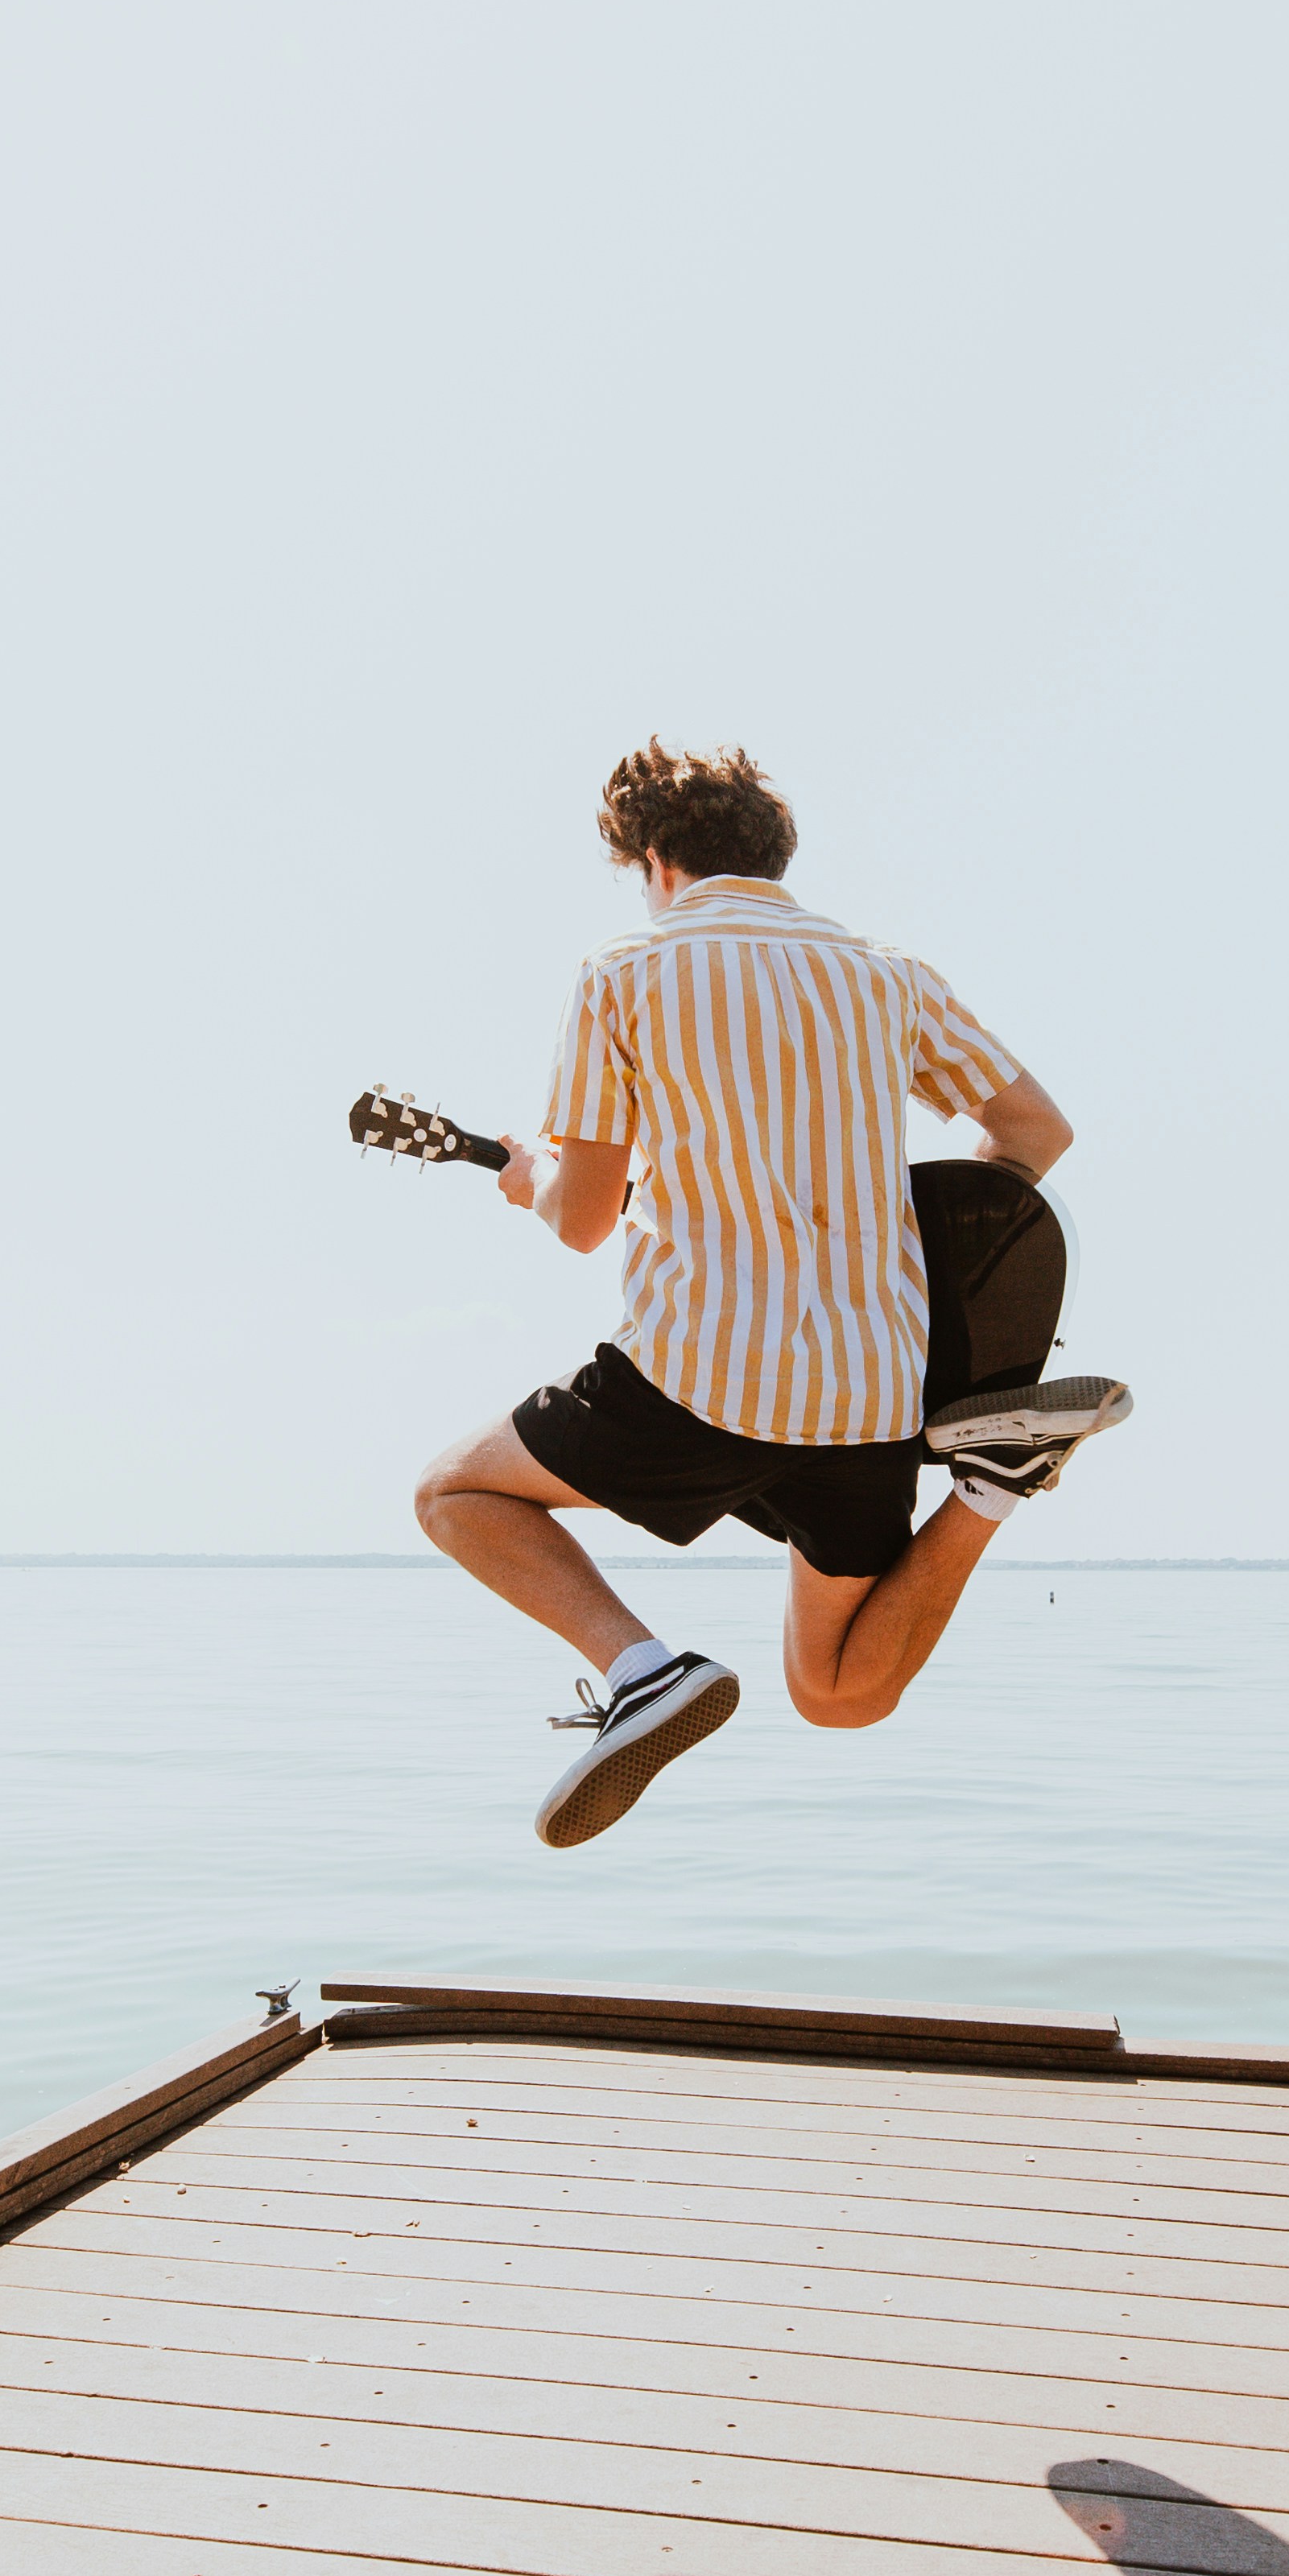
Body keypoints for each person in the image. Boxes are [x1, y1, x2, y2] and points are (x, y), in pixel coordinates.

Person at [414, 741, 1130, 1847]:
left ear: (655, 858)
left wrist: (528, 1184)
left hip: (700, 1374)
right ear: (769, 851)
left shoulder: (624, 975)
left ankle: (643, 1671)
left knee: (456, 1495)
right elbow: (1037, 1132)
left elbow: (585, 1220)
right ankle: (989, 1486)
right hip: (872, 1393)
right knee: (840, 1691)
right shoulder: (887, 973)